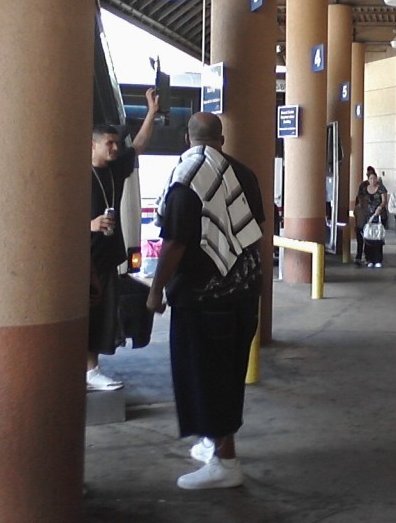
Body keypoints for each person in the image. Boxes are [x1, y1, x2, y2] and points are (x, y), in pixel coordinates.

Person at [146, 112, 265, 490]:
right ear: (222, 138)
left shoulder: (188, 178)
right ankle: (214, 444)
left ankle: (225, 463)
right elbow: (255, 229)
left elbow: (176, 242)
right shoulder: (244, 174)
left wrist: (155, 289)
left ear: (187, 138)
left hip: (204, 300)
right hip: (244, 294)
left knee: (207, 377)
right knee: (227, 374)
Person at [87, 87, 159, 391]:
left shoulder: (115, 170)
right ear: (92, 146)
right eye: (109, 144)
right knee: (86, 317)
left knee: (102, 317)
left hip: (106, 258)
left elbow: (139, 144)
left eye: (116, 143)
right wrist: (89, 224)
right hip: (83, 260)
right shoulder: (74, 174)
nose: (115, 148)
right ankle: (87, 371)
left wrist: (152, 112)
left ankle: (91, 370)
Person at [358, 170, 388, 268]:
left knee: (378, 237)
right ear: (368, 179)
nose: (373, 180)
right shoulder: (365, 189)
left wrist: (380, 207)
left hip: (378, 215)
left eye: (374, 178)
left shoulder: (381, 188)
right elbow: (361, 199)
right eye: (371, 178)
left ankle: (378, 259)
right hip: (367, 216)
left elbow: (384, 200)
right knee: (368, 237)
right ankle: (369, 259)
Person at [351, 165, 377, 264]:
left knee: (367, 238)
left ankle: (366, 256)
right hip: (362, 216)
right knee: (361, 238)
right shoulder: (363, 185)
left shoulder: (376, 187)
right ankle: (360, 256)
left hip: (368, 216)